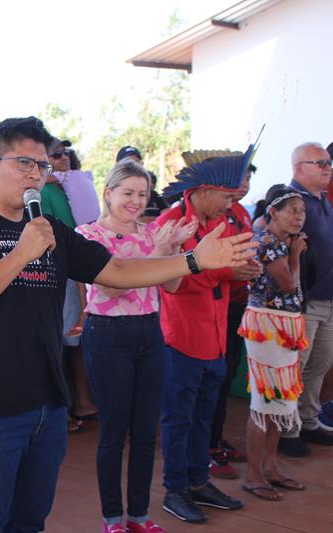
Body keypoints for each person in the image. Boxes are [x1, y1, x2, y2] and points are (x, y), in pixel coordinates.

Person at [0, 116, 257, 533]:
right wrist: (20, 254)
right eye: (23, 163)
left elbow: (116, 270)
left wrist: (194, 261)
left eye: (42, 166)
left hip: (47, 404)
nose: (34, 174)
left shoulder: (51, 231)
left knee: (30, 521)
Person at [77, 160, 197, 533]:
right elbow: (112, 285)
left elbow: (171, 287)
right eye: (127, 193)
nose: (135, 201)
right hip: (108, 335)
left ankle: (140, 516)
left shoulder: (152, 234)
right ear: (108, 193)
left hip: (149, 333)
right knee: (114, 432)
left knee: (147, 432)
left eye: (142, 194)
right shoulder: (88, 235)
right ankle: (112, 518)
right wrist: (159, 253)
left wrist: (171, 253)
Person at [157, 152, 261, 524]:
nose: (233, 204)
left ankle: (199, 481)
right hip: (182, 337)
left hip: (217, 334)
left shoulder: (226, 220)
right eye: (227, 197)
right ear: (203, 191)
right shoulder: (172, 223)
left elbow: (229, 263)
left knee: (205, 415)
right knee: (179, 417)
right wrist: (225, 271)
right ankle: (176, 488)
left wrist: (244, 270)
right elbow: (172, 281)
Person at [238, 186, 308, 501]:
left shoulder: (280, 242)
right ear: (273, 213)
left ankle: (270, 467)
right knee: (265, 403)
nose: (298, 216)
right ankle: (254, 475)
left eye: (302, 211)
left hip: (284, 325)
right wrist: (295, 255)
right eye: (292, 209)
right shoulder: (266, 241)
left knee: (280, 399)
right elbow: (289, 282)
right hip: (267, 325)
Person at [277, 142, 333, 456]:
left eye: (328, 163)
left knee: (320, 364)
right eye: (321, 162)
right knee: (295, 366)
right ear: (300, 167)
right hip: (304, 300)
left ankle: (308, 419)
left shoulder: (321, 200)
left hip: (327, 298)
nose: (328, 167)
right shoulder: (292, 201)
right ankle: (288, 429)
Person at [44, 137, 97, 429]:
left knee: (74, 341)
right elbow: (66, 236)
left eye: (66, 153)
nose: (64, 158)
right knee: (61, 342)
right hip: (60, 273)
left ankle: (82, 402)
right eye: (57, 154)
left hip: (76, 270)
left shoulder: (71, 189)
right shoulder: (47, 190)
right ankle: (60, 409)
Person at [208, 163, 256, 479]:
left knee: (226, 375)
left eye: (249, 178)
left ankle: (216, 438)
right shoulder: (210, 214)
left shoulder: (240, 211)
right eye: (240, 178)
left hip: (237, 303)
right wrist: (232, 272)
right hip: (212, 305)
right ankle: (206, 447)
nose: (244, 184)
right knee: (211, 379)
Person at [115, 145, 168, 221]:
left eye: (137, 162)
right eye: (128, 162)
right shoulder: (114, 193)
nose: (133, 166)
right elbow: (131, 221)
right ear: (118, 166)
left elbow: (168, 214)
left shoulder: (152, 194)